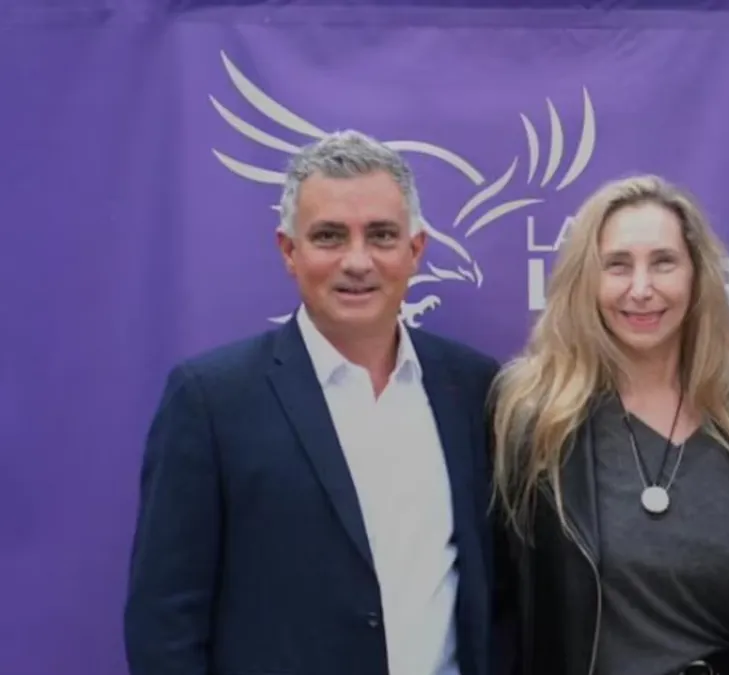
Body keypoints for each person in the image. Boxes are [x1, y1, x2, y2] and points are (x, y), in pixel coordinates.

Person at [123, 130, 504, 675]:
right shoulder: (211, 400)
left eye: (381, 235)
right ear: (289, 251)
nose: (357, 261)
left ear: (415, 250)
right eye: (329, 236)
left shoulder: (472, 387)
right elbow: (165, 622)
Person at [488, 174, 729, 675]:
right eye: (618, 265)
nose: (642, 289)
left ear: (696, 276)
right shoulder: (530, 418)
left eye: (664, 262)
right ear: (586, 280)